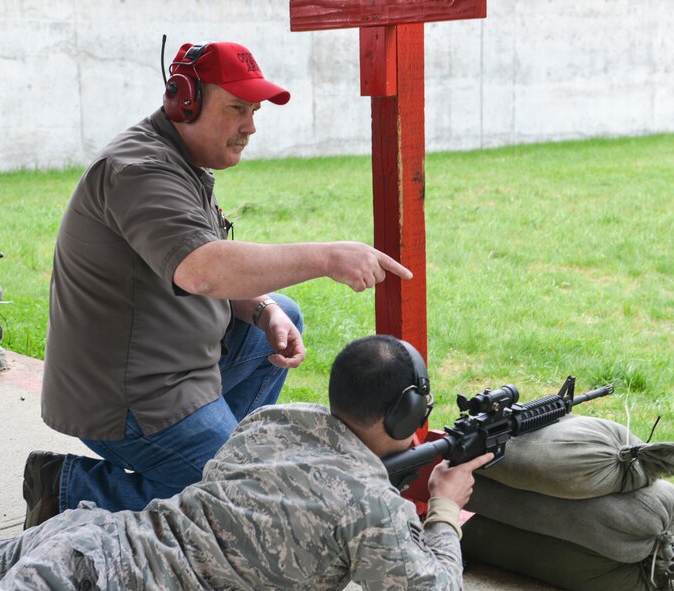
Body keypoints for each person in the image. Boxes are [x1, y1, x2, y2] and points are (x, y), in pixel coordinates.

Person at [26, 39, 413, 530]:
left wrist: (263, 308)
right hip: (130, 398)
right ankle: (69, 488)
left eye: (254, 112)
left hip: (168, 366)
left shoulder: (178, 160)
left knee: (283, 315)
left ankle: (217, 464)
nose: (250, 126)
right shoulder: (139, 171)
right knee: (252, 507)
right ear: (184, 101)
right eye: (236, 109)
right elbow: (202, 269)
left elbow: (204, 268)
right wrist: (328, 257)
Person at [0, 335, 494, 590]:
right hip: (94, 583)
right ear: (404, 415)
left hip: (85, 537)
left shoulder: (274, 421)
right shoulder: (371, 506)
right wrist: (443, 508)